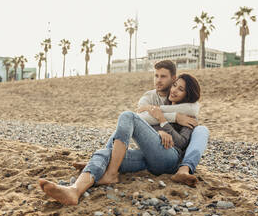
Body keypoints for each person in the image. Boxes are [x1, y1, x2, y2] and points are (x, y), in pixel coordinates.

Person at [39, 72, 202, 205]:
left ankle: (110, 173)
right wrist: (158, 131)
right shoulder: (161, 107)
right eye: (175, 85)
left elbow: (182, 143)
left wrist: (164, 122)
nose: (174, 90)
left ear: (188, 95)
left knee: (127, 116)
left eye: (180, 89)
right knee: (104, 153)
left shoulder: (189, 116)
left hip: (169, 158)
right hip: (147, 159)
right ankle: (74, 190)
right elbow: (148, 131)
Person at [136, 60, 209, 187]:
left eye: (163, 76)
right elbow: (139, 118)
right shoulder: (150, 97)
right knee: (125, 121)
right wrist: (171, 118)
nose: (158, 80)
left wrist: (159, 115)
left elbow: (181, 142)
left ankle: (184, 169)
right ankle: (99, 161)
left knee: (202, 129)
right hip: (153, 152)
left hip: (173, 157)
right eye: (156, 76)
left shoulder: (188, 112)